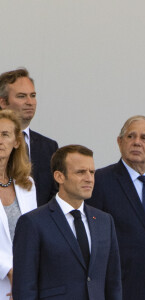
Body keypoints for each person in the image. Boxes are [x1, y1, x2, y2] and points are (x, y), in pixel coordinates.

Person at [86, 116, 145, 300]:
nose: (137, 142)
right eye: (130, 136)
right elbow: (93, 239)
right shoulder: (101, 181)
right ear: (119, 142)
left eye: (144, 138)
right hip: (120, 287)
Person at [13, 145, 122, 300]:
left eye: (92, 172)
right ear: (59, 177)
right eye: (80, 172)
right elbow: (24, 288)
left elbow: (113, 283)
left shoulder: (105, 221)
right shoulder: (32, 223)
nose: (89, 178)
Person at [0, 68, 58, 206]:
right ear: (3, 103)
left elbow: (54, 197)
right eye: (21, 96)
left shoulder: (49, 147)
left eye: (33, 95)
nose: (30, 102)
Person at [0, 110, 37, 300]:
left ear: (16, 142)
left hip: (27, 283)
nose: (0, 140)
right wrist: (10, 271)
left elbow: (34, 234)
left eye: (5, 134)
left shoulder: (27, 185)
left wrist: (25, 277)